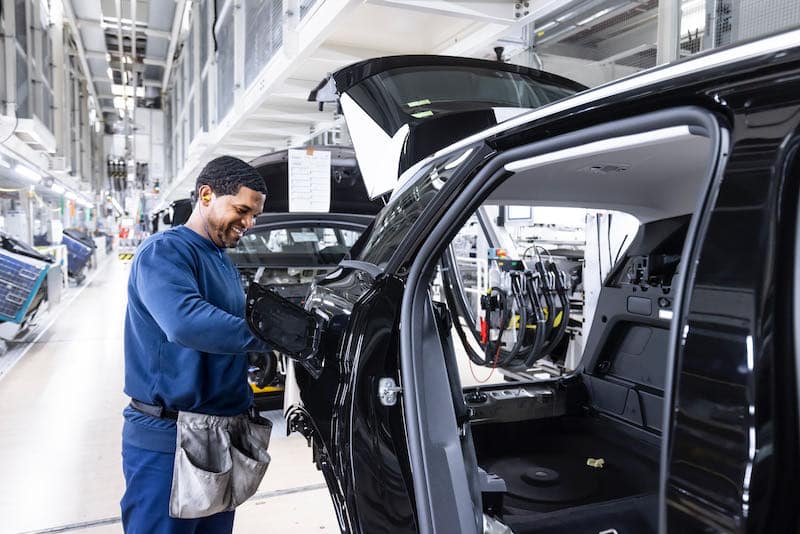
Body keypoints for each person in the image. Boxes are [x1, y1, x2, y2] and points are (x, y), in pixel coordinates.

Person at [121, 156, 271, 533]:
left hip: (219, 436)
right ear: (206, 195)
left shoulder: (221, 259)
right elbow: (186, 323)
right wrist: (273, 337)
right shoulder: (165, 252)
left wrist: (257, 353)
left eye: (254, 215)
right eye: (242, 210)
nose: (248, 224)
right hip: (169, 441)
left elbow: (231, 326)